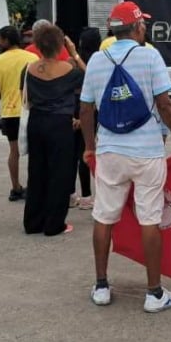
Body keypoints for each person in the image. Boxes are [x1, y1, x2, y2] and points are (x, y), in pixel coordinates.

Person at [79, 1, 171, 312]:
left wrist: (89, 147)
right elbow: (165, 104)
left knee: (104, 217)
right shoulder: (150, 56)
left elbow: (86, 110)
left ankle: (101, 286)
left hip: (109, 151)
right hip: (147, 151)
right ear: (138, 27)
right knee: (150, 218)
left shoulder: (96, 60)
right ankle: (154, 293)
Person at [23, 24, 85, 236]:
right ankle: (54, 223)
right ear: (60, 45)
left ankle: (33, 221)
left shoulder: (28, 69)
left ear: (38, 45)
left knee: (37, 171)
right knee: (60, 173)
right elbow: (90, 79)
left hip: (36, 121)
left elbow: (25, 96)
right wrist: (75, 54)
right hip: (60, 123)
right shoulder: (69, 71)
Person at [0, 26, 38, 202]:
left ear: (6, 41)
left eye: (0, 39)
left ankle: (16, 187)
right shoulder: (32, 57)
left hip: (9, 112)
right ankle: (35, 187)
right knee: (35, 151)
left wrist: (1, 95)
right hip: (30, 110)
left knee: (14, 151)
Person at [71, 27, 102, 210]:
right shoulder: (99, 62)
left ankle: (71, 194)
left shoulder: (72, 62)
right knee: (86, 150)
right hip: (90, 108)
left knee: (72, 152)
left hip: (72, 107)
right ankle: (86, 196)